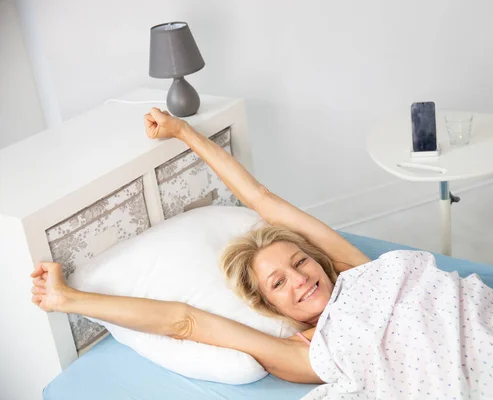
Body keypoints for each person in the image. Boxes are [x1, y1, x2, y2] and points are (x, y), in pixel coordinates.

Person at [30, 107, 370, 384]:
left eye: (299, 263)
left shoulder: (359, 271)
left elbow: (260, 198)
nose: (300, 279)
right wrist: (69, 299)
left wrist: (182, 131)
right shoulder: (309, 354)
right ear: (271, 307)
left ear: (317, 260)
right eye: (278, 283)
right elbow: (185, 321)